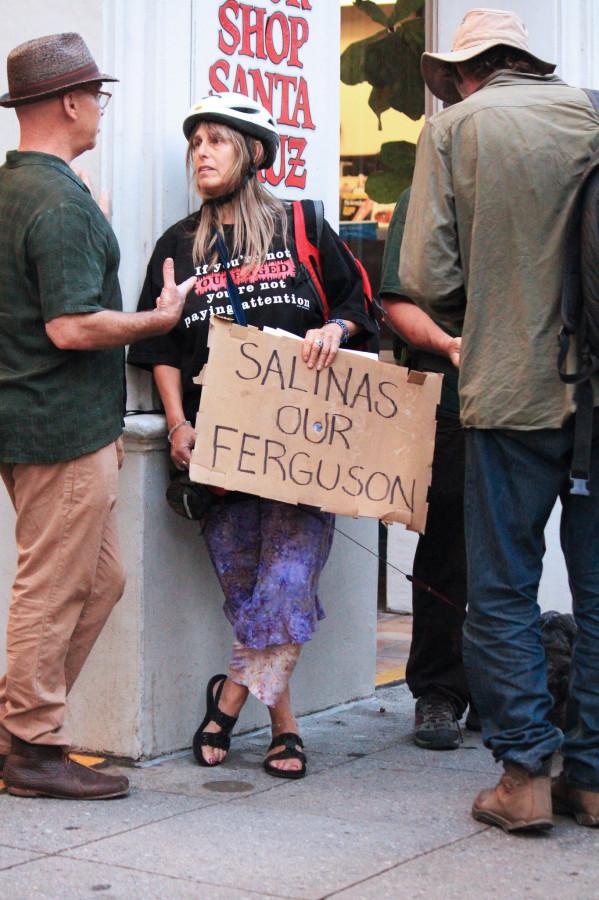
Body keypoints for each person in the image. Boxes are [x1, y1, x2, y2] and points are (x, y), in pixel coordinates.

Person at [128, 91, 376, 779]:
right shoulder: (178, 246)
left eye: (217, 140)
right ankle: (286, 727)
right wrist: (176, 425)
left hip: (302, 450)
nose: (201, 153)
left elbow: (361, 302)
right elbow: (160, 350)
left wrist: (333, 328)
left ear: (254, 153)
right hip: (218, 452)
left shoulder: (302, 226)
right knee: (247, 594)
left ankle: (227, 703)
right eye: (195, 143)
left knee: (287, 585)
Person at [399, 7, 599, 832]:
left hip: (509, 392)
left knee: (503, 591)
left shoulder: (454, 130)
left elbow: (426, 278)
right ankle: (589, 777)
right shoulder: (590, 110)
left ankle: (522, 777)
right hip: (597, 396)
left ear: (465, 71)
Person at [0, 33, 193, 800]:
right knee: (51, 587)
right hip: (61, 427)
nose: (102, 113)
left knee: (100, 580)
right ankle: (32, 746)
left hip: (35, 420)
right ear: (73, 102)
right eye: (98, 99)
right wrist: (156, 319)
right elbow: (72, 326)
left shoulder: (22, 188)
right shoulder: (55, 201)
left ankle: (17, 725)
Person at [380, 188, 471, 751]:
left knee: (515, 556)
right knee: (446, 551)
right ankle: (439, 690)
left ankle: (510, 690)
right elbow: (397, 300)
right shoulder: (424, 195)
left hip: (545, 402)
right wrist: (448, 343)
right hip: (451, 401)